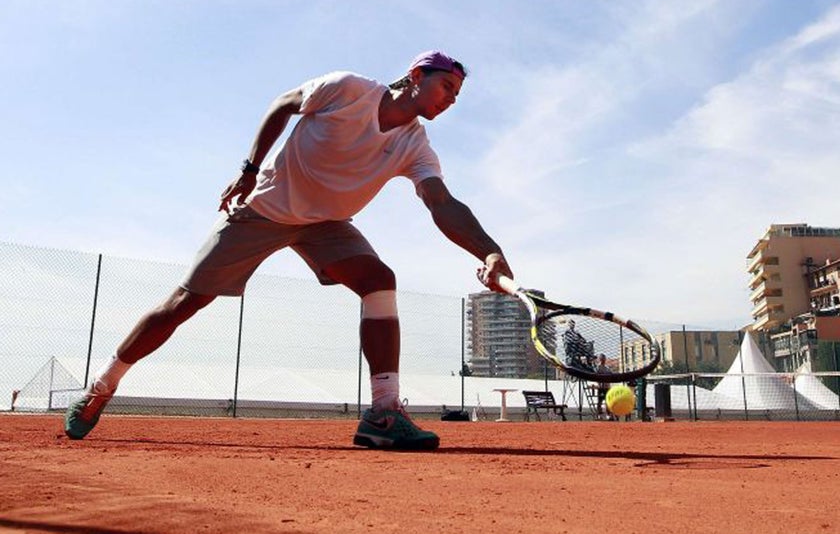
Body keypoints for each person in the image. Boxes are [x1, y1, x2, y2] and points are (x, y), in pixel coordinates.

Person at [64, 51, 512, 450]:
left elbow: (442, 202)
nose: (450, 100)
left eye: (456, 95)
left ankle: (383, 412)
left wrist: (488, 252)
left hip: (326, 225)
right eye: (446, 87)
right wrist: (249, 169)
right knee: (184, 302)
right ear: (416, 75)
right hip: (266, 209)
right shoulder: (348, 89)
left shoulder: (414, 145)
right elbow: (283, 104)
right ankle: (100, 388)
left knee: (379, 280)